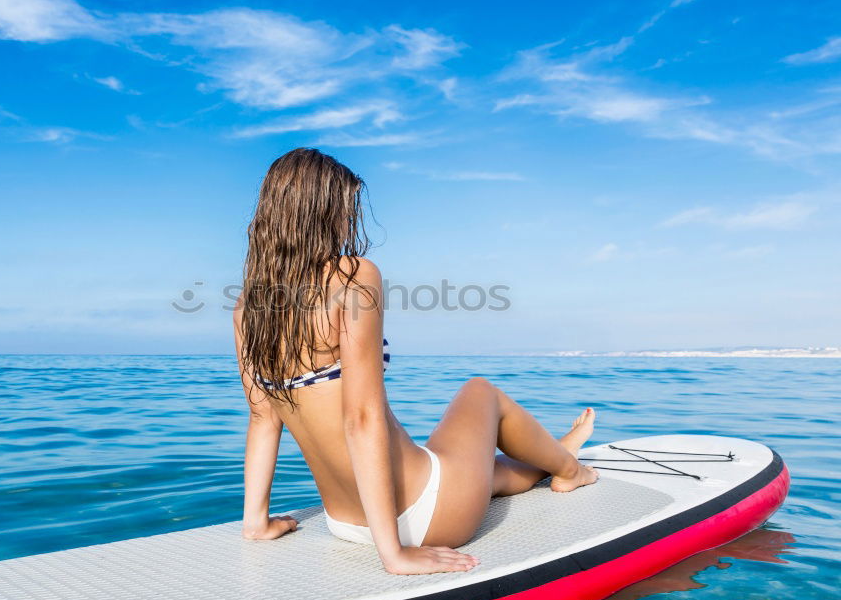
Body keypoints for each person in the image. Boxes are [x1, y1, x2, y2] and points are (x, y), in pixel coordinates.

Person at [233, 148, 598, 576]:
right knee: (480, 391)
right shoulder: (352, 276)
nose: (350, 222)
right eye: (346, 209)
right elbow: (362, 418)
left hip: (346, 523)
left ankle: (554, 454)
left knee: (492, 474)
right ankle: (571, 469)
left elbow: (262, 419)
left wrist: (256, 523)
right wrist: (394, 554)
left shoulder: (247, 307)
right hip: (417, 519)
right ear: (323, 211)